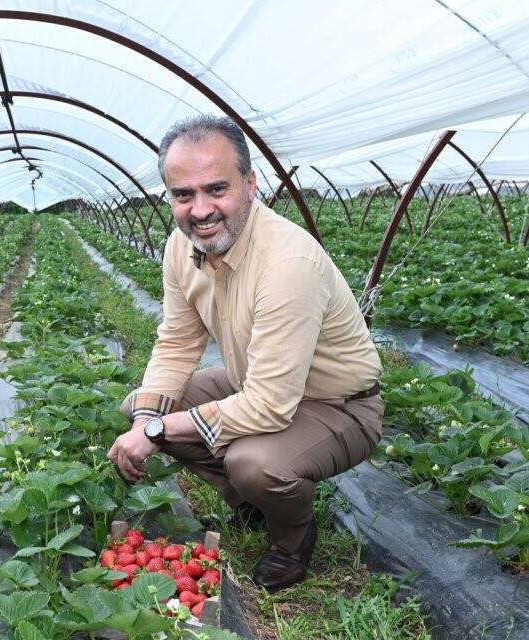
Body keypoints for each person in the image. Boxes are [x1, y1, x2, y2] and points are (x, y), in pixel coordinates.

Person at [106, 115, 383, 591]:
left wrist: (155, 431)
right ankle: (253, 502)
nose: (201, 209)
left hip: (336, 403)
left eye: (217, 189)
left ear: (251, 184)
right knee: (143, 404)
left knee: (255, 463)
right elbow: (177, 340)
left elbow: (271, 405)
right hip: (255, 383)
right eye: (183, 195)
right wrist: (146, 422)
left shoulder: (287, 263)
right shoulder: (182, 246)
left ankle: (292, 539)